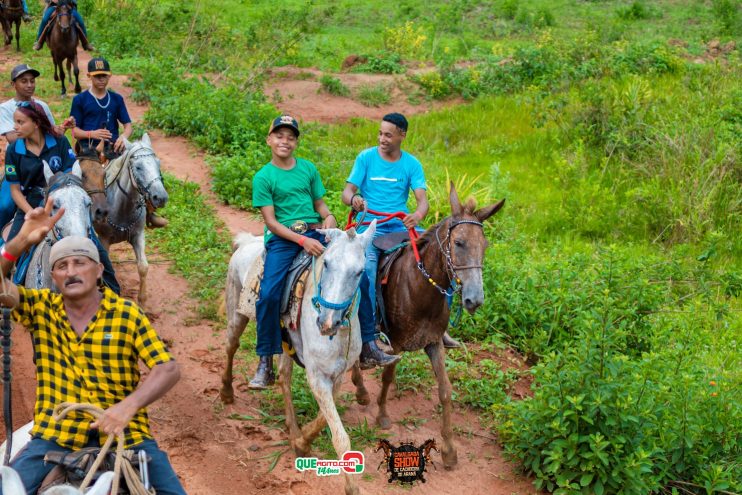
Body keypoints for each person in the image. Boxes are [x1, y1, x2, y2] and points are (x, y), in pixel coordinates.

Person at [0, 208, 185, 495]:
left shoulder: (127, 313)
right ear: (53, 276)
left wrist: (127, 407)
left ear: (99, 270)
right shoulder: (40, 307)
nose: (71, 272)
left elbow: (168, 368)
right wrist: (21, 240)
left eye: (80, 263)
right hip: (54, 437)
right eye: (62, 266)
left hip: (127, 435)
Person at [342, 113, 461, 365]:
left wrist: (417, 215)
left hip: (400, 228)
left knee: (443, 259)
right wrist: (354, 199)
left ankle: (442, 324)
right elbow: (347, 191)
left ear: (401, 135)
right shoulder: (365, 158)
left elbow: (422, 201)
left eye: (388, 134)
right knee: (367, 270)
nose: (382, 139)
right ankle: (371, 332)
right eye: (380, 133)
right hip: (371, 228)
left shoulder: (411, 164)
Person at [249, 115, 337, 389]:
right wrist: (301, 242)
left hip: (315, 231)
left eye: (290, 137)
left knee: (355, 272)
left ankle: (368, 340)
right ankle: (265, 359)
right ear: (269, 140)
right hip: (285, 238)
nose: (284, 141)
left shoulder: (308, 169)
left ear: (296, 142)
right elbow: (271, 223)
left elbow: (320, 205)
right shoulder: (264, 177)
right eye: (279, 136)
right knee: (269, 294)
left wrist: (329, 218)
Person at [4, 100, 119, 293]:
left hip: (64, 198)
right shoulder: (14, 150)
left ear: (36, 123)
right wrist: (33, 213)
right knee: (13, 246)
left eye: (20, 122)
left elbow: (71, 174)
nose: (15, 127)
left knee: (93, 242)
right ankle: (10, 293)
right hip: (31, 203)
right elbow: (15, 190)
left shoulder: (58, 141)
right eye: (15, 122)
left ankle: (113, 289)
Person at [70, 57, 167, 228]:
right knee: (79, 177)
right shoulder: (80, 100)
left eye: (104, 76)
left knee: (142, 167)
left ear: (109, 76)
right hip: (89, 150)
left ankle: (150, 212)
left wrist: (123, 137)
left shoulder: (116, 99)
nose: (101, 79)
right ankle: (80, 214)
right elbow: (75, 131)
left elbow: (127, 125)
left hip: (114, 148)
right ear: (89, 76)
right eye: (97, 76)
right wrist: (92, 133)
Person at [0, 64, 75, 228]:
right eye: (24, 81)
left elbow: (51, 132)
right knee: (4, 206)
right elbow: (13, 137)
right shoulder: (5, 108)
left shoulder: (42, 106)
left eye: (32, 81)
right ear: (14, 84)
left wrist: (61, 129)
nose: (29, 85)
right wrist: (32, 130)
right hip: (21, 166)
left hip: (49, 170)